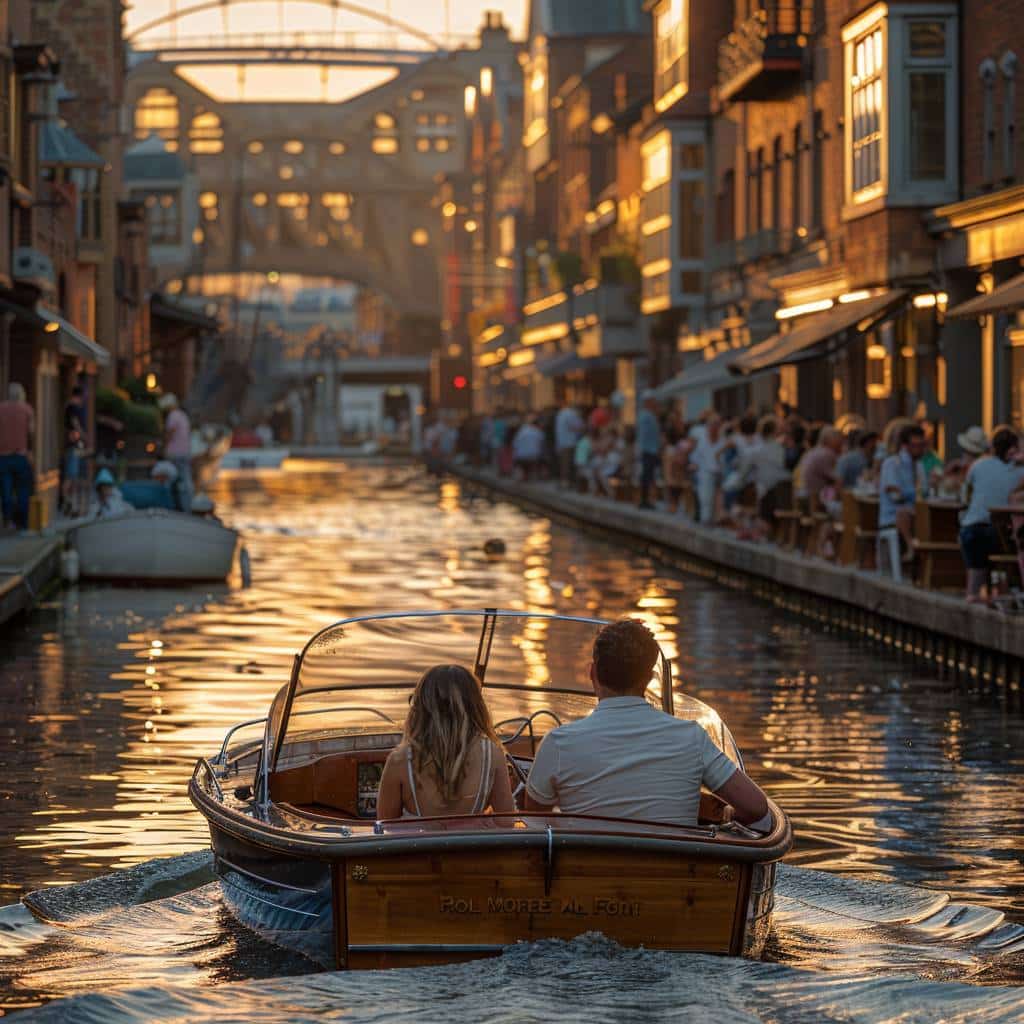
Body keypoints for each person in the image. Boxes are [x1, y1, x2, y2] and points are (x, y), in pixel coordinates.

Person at [524, 619, 772, 830]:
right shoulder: (691, 738)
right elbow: (756, 807)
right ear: (649, 678)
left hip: (586, 883)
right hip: (676, 881)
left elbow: (535, 822)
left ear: (593, 674)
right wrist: (727, 818)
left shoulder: (558, 743)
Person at [377, 665, 515, 819]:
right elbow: (506, 822)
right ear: (475, 707)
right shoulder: (493, 755)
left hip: (418, 844)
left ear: (421, 707)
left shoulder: (400, 760)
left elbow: (385, 827)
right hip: (471, 844)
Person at [959, 427, 1024, 603]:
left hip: (970, 530)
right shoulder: (1019, 471)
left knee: (976, 562)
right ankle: (1011, 589)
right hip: (999, 533)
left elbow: (965, 497)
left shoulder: (978, 465)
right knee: (1016, 541)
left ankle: (973, 593)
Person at [878, 424, 926, 561]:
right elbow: (895, 495)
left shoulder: (919, 465)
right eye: (916, 445)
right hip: (892, 516)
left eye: (922, 445)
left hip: (916, 512)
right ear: (905, 446)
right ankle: (911, 547)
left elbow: (923, 491)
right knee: (903, 513)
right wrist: (913, 493)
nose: (921, 449)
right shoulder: (892, 464)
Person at [0, 382, 34, 530]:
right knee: (23, 491)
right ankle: (23, 524)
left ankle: (7, 521)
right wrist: (30, 451)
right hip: (21, 455)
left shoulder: (1, 409)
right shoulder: (27, 409)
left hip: (3, 456)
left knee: (5, 491)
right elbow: (31, 433)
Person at [158, 393, 193, 513]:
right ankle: (187, 505)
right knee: (185, 480)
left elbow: (169, 434)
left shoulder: (172, 416)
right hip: (185, 451)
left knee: (171, 479)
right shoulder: (183, 415)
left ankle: (172, 506)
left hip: (175, 452)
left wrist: (163, 449)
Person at [691, 413, 726, 525]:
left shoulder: (723, 440)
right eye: (712, 425)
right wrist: (694, 464)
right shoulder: (702, 440)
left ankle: (714, 519)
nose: (714, 428)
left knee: (718, 497)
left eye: (717, 425)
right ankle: (705, 520)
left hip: (720, 472)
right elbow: (695, 456)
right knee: (706, 496)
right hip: (705, 472)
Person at [62, 385, 87, 517]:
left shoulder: (69, 407)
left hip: (73, 445)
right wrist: (83, 435)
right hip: (74, 445)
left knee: (72, 475)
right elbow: (75, 423)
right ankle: (69, 501)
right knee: (72, 475)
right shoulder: (73, 407)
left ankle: (71, 502)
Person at [636, 392, 661, 509]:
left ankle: (647, 500)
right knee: (647, 476)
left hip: (650, 450)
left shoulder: (648, 415)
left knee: (649, 476)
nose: (654, 403)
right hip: (648, 450)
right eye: (652, 401)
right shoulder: (646, 416)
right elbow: (644, 435)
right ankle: (644, 500)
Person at [554, 401, 584, 486]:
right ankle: (568, 482)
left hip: (561, 442)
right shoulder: (571, 414)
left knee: (564, 464)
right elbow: (577, 427)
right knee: (569, 464)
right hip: (570, 442)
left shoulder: (561, 413)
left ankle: (564, 481)